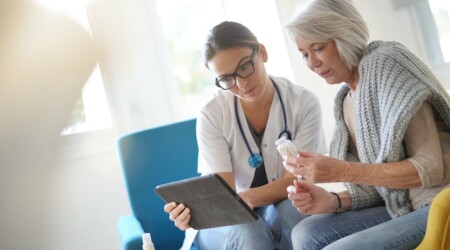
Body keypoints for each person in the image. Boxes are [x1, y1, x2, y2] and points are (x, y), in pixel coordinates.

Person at [282, 0, 450, 249]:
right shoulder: (345, 100)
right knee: (306, 232)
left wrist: (340, 171)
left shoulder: (387, 63)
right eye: (305, 54)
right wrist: (335, 200)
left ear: (344, 36)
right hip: (402, 206)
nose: (311, 64)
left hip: (438, 202)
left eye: (318, 48)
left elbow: (430, 168)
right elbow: (382, 184)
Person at [164, 21, 327, 249]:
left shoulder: (303, 102)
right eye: (226, 79)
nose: (241, 84)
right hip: (224, 219)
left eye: (244, 67)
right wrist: (189, 213)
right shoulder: (212, 115)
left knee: (298, 215)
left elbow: (300, 180)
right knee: (249, 230)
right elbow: (225, 198)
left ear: (262, 52)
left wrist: (247, 198)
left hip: (280, 201)